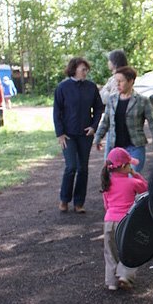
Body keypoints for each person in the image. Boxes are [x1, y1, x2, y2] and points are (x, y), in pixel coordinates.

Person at [53, 57, 104, 213]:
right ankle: (64, 200)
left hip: (85, 135)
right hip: (68, 135)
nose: (85, 72)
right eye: (83, 69)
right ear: (74, 69)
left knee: (83, 169)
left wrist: (94, 127)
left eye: (86, 69)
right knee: (71, 167)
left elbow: (98, 108)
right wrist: (60, 134)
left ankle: (79, 203)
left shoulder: (91, 87)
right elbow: (57, 112)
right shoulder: (62, 87)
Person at [94, 65, 153, 173]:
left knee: (132, 179)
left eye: (120, 81)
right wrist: (98, 137)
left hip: (135, 147)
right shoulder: (112, 100)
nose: (117, 84)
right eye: (116, 81)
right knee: (113, 179)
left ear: (131, 81)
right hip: (114, 148)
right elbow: (105, 121)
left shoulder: (142, 101)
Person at [100, 147, 148, 290]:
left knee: (110, 253)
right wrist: (135, 174)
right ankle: (125, 275)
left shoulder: (106, 183)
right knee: (132, 249)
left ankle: (111, 283)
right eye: (130, 165)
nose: (131, 167)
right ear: (124, 166)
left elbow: (106, 205)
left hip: (109, 222)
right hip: (126, 222)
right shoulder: (132, 182)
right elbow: (146, 188)